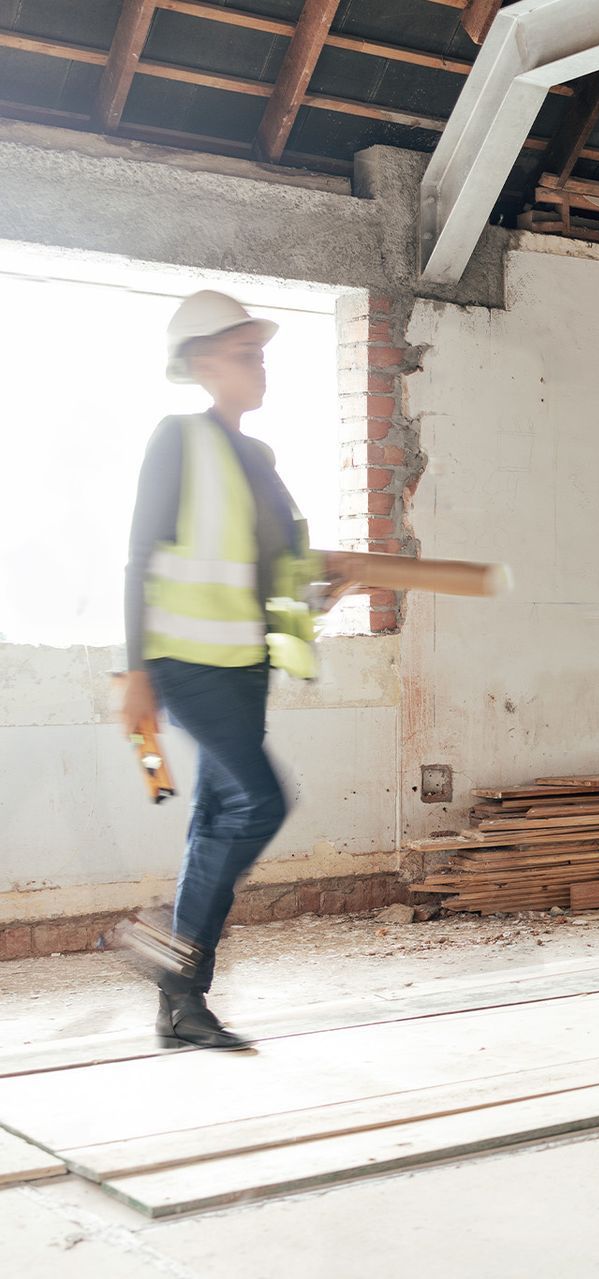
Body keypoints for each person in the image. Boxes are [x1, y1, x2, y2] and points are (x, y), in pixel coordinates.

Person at [119, 290, 339, 1051]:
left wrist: (328, 585)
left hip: (247, 667)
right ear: (204, 363)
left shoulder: (259, 460)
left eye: (260, 352)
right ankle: (171, 949)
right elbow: (141, 555)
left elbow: (277, 571)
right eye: (246, 353)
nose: (261, 365)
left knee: (217, 820)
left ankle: (182, 1008)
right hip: (186, 667)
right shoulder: (177, 439)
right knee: (264, 801)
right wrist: (137, 673)